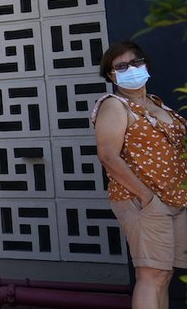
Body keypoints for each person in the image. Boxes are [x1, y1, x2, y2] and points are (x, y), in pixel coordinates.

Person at [93, 41, 187, 309]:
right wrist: (147, 198)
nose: (131, 69)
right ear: (111, 75)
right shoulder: (115, 106)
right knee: (150, 274)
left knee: (164, 274)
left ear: (145, 64)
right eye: (121, 66)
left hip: (175, 199)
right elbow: (108, 156)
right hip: (143, 201)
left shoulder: (156, 104)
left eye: (135, 63)